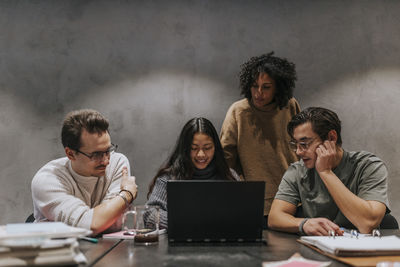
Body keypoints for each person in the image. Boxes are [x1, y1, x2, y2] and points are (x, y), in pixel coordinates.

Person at [268, 107, 390, 235]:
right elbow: (275, 217)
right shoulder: (297, 171)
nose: (298, 152)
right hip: (317, 248)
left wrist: (326, 172)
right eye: (295, 144)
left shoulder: (368, 166)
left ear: (331, 138)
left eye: (304, 144)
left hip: (362, 249)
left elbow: (367, 223)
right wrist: (303, 224)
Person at [31, 109, 137, 235]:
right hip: (59, 252)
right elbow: (92, 225)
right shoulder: (47, 179)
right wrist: (127, 194)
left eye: (108, 150)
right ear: (70, 153)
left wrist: (101, 218)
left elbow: (112, 224)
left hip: (106, 250)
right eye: (96, 154)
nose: (105, 160)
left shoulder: (117, 163)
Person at [220, 52, 300, 218]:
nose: (258, 93)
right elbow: (226, 158)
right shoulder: (239, 111)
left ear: (278, 87)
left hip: (293, 198)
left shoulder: (290, 106)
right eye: (255, 85)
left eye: (266, 87)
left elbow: (304, 146)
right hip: (255, 201)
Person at [146, 117, 239, 229]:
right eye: (194, 148)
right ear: (185, 149)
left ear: (215, 148)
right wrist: (188, 223)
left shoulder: (229, 176)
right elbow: (150, 214)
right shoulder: (168, 178)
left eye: (207, 148)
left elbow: (244, 213)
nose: (201, 154)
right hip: (178, 243)